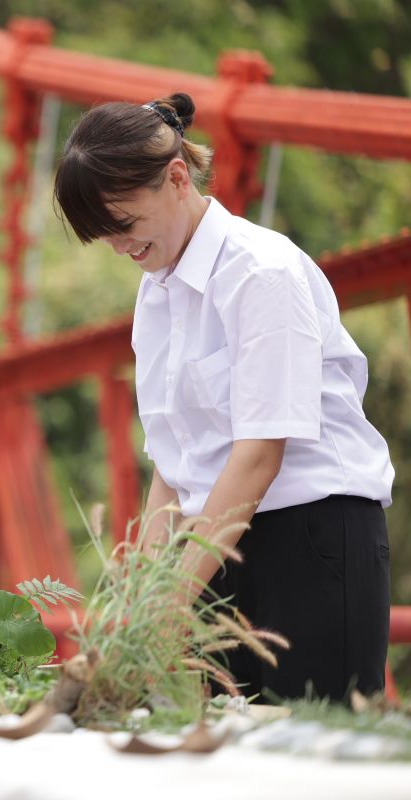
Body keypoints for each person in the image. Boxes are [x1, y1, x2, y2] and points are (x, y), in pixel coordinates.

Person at [53, 92, 394, 702]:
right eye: (104, 237)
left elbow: (261, 454)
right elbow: (173, 467)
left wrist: (173, 597)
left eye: (124, 225)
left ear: (177, 178)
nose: (120, 249)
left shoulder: (261, 271)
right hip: (216, 544)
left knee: (315, 767)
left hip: (313, 539)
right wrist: (143, 600)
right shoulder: (156, 294)